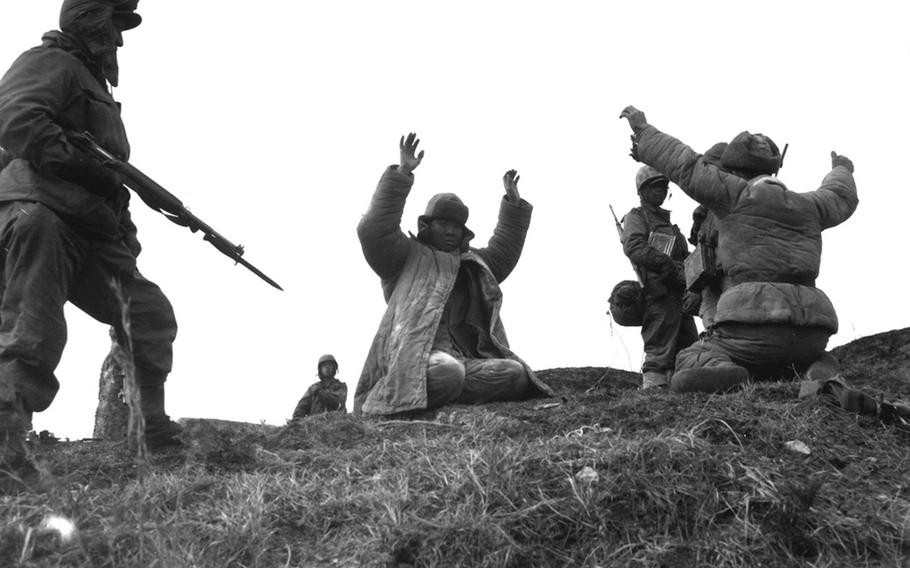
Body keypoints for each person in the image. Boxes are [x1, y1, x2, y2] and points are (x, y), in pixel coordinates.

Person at [0, 0, 181, 491]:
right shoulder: (49, 62)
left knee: (148, 315)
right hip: (42, 216)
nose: (119, 39)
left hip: (89, 228)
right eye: (113, 26)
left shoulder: (92, 85)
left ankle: (150, 432)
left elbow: (110, 183)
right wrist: (88, 170)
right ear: (87, 21)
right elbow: (16, 120)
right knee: (31, 331)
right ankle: (5, 449)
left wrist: (125, 240)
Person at [619, 106, 858, 393]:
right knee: (804, 354)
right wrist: (842, 168)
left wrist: (642, 130)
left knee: (692, 355)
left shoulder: (732, 196)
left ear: (733, 170)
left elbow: (685, 164)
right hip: (813, 330)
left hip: (751, 326)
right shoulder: (811, 206)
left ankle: (724, 371)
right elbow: (840, 195)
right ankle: (817, 368)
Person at [354, 133, 553, 416]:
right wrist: (402, 174)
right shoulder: (404, 255)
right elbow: (374, 230)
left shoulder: (470, 263)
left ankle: (437, 397)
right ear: (427, 225)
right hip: (413, 361)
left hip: (463, 361)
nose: (450, 231)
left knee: (515, 374)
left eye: (456, 226)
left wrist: (513, 207)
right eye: (443, 223)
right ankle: (396, 395)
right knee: (447, 373)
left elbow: (502, 252)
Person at [621, 166, 698, 389]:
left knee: (689, 346)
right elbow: (634, 245)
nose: (660, 191)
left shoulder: (672, 227)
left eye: (663, 186)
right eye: (654, 187)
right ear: (642, 191)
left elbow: (685, 258)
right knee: (659, 343)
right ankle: (653, 390)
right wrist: (663, 263)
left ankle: (682, 389)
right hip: (658, 291)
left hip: (680, 291)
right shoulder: (637, 216)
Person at [292, 354, 348, 419]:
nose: (327, 367)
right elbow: (302, 406)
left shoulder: (341, 386)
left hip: (335, 422)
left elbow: (337, 402)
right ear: (320, 369)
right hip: (314, 423)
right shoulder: (313, 388)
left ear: (334, 368)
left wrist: (321, 392)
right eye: (324, 365)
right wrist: (296, 421)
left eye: (330, 365)